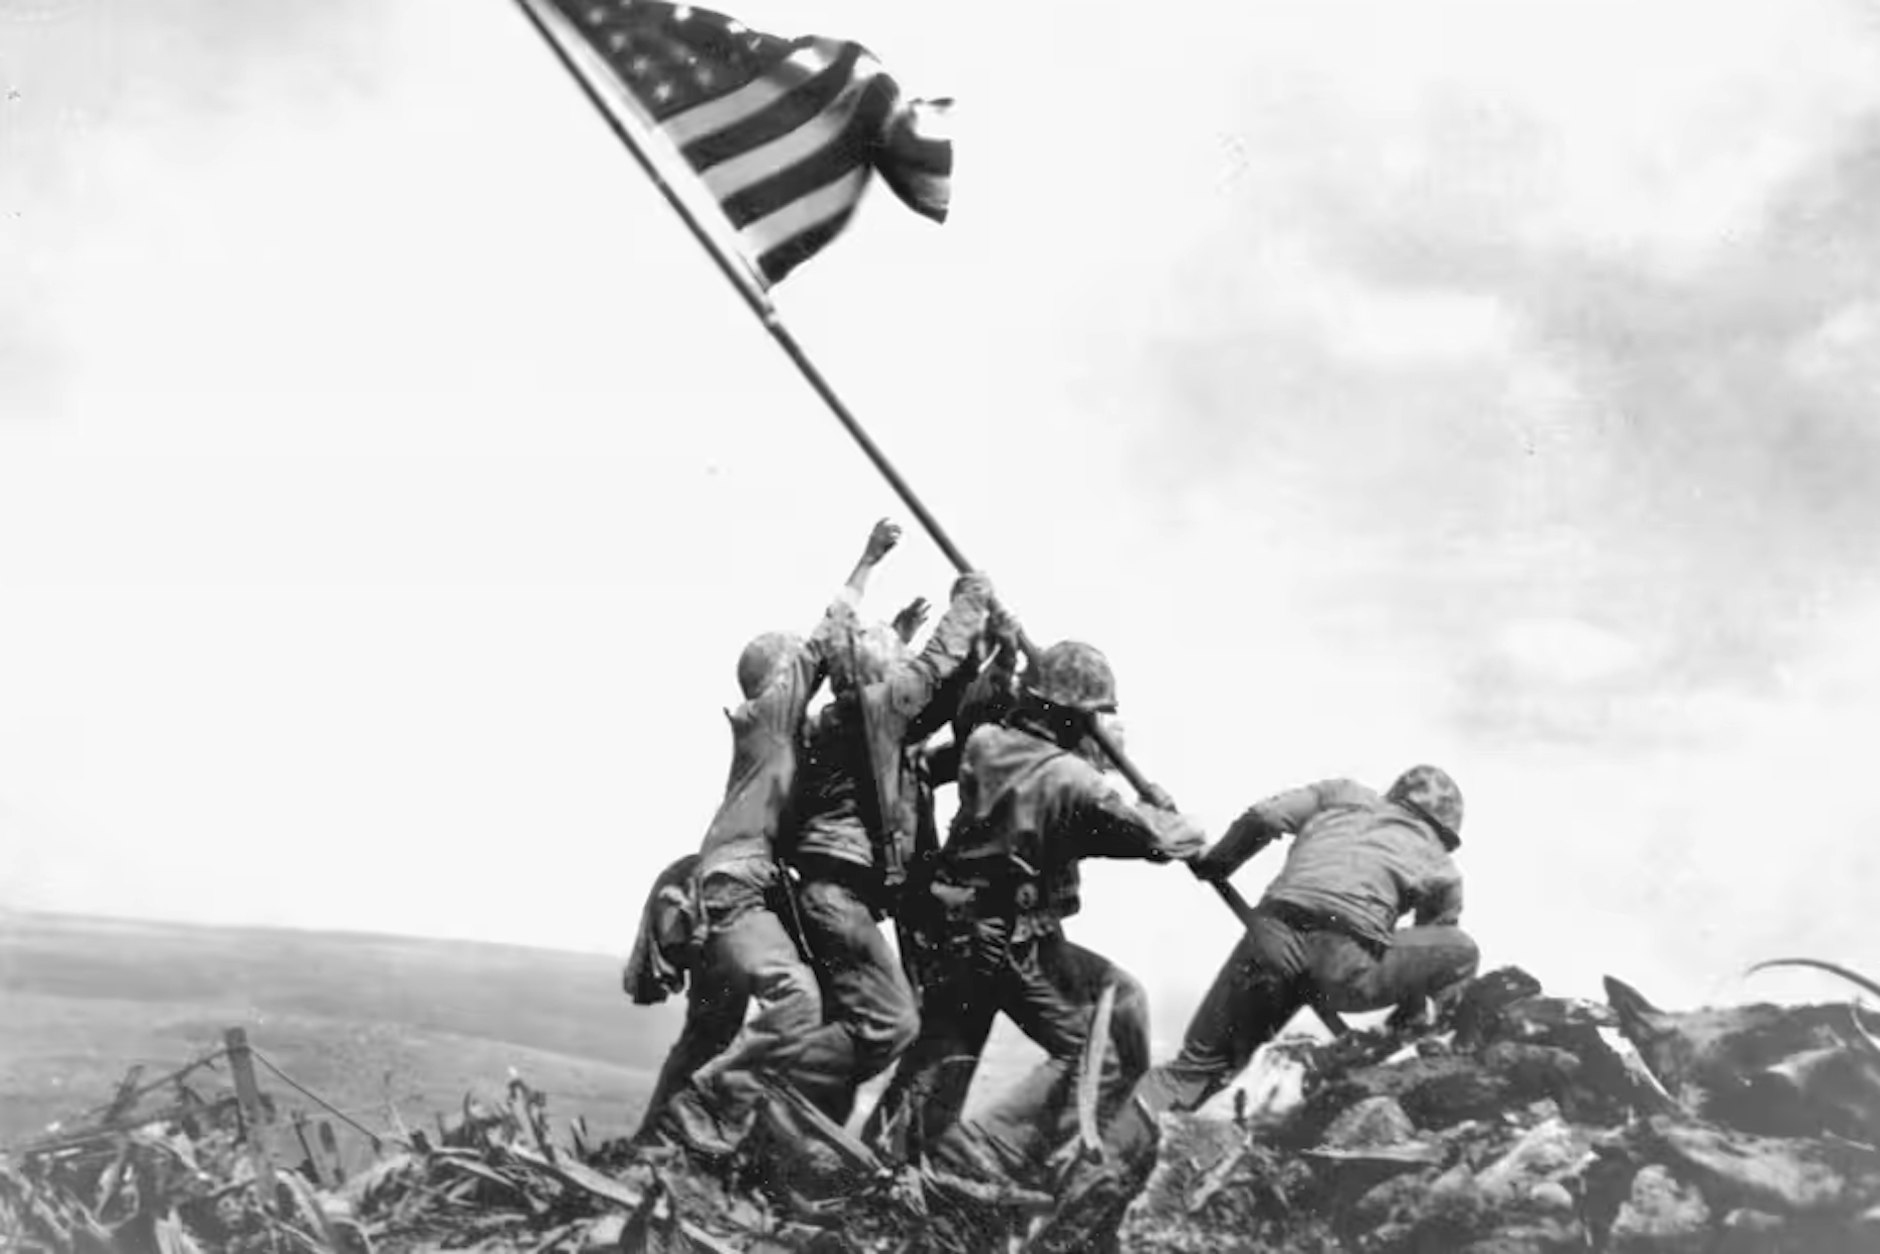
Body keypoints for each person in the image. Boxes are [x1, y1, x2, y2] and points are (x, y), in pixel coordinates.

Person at [1026, 765, 1481, 1252]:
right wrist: (1405, 1026)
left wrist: (1220, 863)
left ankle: (1078, 1193)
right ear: (1444, 829)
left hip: (1269, 939)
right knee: (1462, 949)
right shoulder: (1442, 867)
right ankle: (1430, 1048)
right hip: (1345, 966)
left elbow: (1263, 816)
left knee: (1188, 1073)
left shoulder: (1342, 794)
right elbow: (1429, 953)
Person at [864, 639, 1207, 1187]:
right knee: (1108, 1045)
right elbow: (1164, 839)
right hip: (1012, 941)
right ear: (1074, 716)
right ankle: (985, 1156)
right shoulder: (1073, 782)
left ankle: (886, 1158)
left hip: (952, 929)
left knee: (947, 1049)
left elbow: (985, 733)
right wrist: (1171, 814)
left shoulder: (985, 743)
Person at [637, 519, 902, 1155]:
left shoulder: (777, 736)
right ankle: (705, 1109)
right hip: (738, 886)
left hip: (733, 885)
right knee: (797, 1004)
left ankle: (653, 1140)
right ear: (779, 679)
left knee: (710, 1027)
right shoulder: (769, 717)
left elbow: (850, 681)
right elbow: (826, 637)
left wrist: (900, 640)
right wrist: (868, 560)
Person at [781, 568, 999, 1123]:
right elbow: (929, 673)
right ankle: (753, 1082)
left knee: (853, 1027)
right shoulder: (872, 711)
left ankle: (790, 1142)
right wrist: (969, 603)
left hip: (837, 898)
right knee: (891, 1024)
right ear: (884, 677)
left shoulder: (863, 731)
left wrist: (991, 661)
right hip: (837, 899)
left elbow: (945, 705)